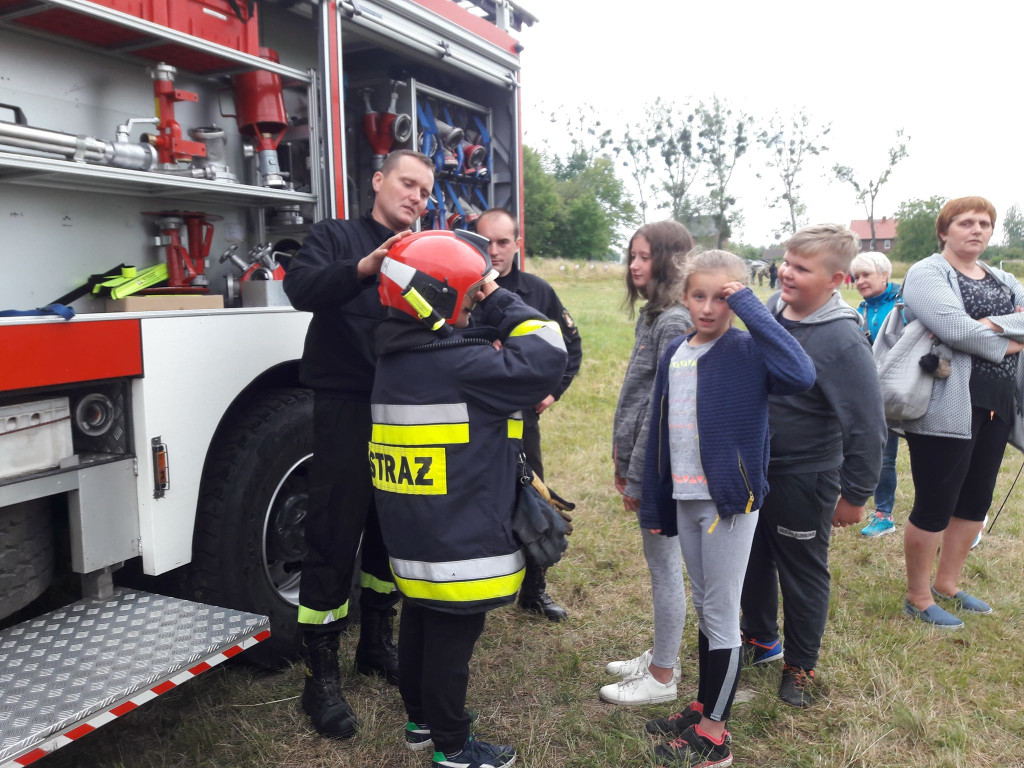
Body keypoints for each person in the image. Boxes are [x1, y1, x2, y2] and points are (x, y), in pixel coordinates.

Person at [372, 229, 567, 768]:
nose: (478, 297)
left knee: (420, 618)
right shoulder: (463, 365)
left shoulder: (396, 357)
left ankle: (421, 720)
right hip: (459, 532)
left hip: (416, 528)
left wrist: (474, 293)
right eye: (472, 291)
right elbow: (548, 349)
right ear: (442, 299)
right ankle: (454, 746)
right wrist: (497, 297)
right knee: (453, 640)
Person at [636, 250, 815, 767]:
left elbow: (800, 373)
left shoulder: (746, 349)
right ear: (683, 295)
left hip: (729, 503)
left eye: (724, 297)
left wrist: (753, 310)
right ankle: (701, 705)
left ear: (739, 301)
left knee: (720, 611)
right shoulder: (676, 350)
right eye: (700, 295)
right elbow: (661, 436)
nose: (709, 307)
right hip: (686, 497)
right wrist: (655, 500)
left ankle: (715, 735)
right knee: (707, 604)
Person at [283, 149, 434, 739]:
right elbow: (301, 289)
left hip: (405, 409)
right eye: (406, 183)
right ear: (377, 181)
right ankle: (320, 677)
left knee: (390, 530)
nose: (416, 197)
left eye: (424, 190)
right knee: (334, 531)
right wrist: (365, 267)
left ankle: (377, 644)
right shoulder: (336, 236)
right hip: (346, 404)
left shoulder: (428, 252)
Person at [739, 224, 886, 708]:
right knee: (752, 560)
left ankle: (801, 664)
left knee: (800, 571)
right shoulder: (769, 312)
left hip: (806, 476)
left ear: (837, 280)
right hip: (755, 469)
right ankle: (760, 638)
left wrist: (856, 495)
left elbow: (867, 424)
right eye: (786, 261)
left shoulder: (844, 339)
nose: (786, 272)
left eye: (801, 268)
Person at [898, 197, 1024, 629]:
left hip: (998, 403)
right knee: (937, 499)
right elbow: (952, 328)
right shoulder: (928, 272)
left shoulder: (1003, 277)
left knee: (974, 500)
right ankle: (917, 595)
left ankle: (947, 584)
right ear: (944, 231)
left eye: (985, 223)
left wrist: (985, 326)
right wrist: (1008, 332)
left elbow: (965, 329)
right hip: (946, 402)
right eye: (965, 222)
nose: (977, 229)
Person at [471, 207, 582, 622]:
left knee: (532, 497)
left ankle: (534, 590)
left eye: (503, 242)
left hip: (521, 422)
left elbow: (570, 345)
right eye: (486, 242)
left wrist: (552, 391)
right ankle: (476, 593)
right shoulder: (460, 286)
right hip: (471, 421)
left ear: (517, 244)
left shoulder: (536, 291)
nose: (495, 251)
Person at [602, 220, 694, 705]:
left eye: (644, 257)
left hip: (661, 472)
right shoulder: (655, 315)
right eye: (631, 256)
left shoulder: (675, 321)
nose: (634, 265)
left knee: (664, 568)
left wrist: (639, 476)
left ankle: (662, 677)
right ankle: (664, 654)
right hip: (645, 463)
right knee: (661, 567)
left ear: (670, 260)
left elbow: (662, 414)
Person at [851, 251, 903, 537]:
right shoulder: (861, 309)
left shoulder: (905, 303)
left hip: (910, 392)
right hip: (878, 393)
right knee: (884, 456)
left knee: (929, 460)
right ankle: (884, 515)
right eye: (856, 276)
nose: (859, 281)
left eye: (865, 275)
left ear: (885, 275)